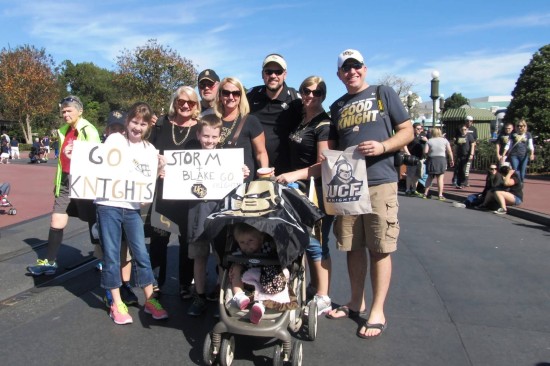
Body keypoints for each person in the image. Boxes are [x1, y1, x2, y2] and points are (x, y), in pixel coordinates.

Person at [325, 49, 413, 339]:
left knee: (379, 247)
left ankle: (377, 310)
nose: (352, 72)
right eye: (345, 68)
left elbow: (407, 131)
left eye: (356, 66)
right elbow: (332, 151)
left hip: (379, 181)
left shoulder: (382, 93)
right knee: (353, 246)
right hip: (348, 186)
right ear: (339, 74)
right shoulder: (337, 106)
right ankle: (355, 300)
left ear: (364, 68)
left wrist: (383, 146)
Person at [96, 102, 168, 324]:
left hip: (132, 208)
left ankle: (150, 300)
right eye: (134, 122)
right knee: (111, 255)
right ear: (127, 122)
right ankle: (116, 303)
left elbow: (147, 187)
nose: (138, 127)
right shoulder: (116, 139)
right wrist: (74, 154)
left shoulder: (149, 150)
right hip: (108, 204)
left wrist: (159, 170)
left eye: (143, 124)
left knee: (142, 254)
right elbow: (95, 160)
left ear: (148, 127)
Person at [275, 75, 337, 315]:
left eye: (317, 92)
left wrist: (293, 175)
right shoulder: (303, 120)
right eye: (307, 91)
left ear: (323, 95)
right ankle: (312, 286)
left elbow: (324, 165)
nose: (311, 95)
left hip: (317, 191)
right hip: (298, 191)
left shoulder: (324, 124)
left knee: (316, 243)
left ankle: (324, 296)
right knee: (299, 239)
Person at [27, 95, 101, 276]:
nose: (65, 115)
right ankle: (50, 261)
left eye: (69, 111)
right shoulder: (63, 131)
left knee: (94, 221)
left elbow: (96, 157)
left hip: (85, 181)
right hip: (66, 181)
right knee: (56, 220)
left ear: (80, 111)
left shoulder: (89, 130)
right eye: (63, 112)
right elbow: (61, 161)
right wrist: (58, 182)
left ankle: (103, 258)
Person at [186, 114, 251, 316]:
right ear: (198, 135)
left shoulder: (226, 159)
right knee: (199, 257)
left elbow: (236, 180)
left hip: (220, 217)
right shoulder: (187, 160)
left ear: (219, 137)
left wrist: (242, 172)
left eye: (214, 137)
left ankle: (223, 298)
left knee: (223, 258)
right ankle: (199, 296)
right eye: (206, 136)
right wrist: (165, 171)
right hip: (197, 216)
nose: (209, 141)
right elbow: (176, 179)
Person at [147, 86, 202, 299]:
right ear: (175, 102)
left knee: (187, 243)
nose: (185, 106)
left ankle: (185, 284)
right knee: (159, 241)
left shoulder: (200, 128)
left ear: (196, 106)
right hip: (164, 195)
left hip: (190, 198)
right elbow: (145, 152)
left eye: (191, 102)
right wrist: (156, 167)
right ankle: (155, 283)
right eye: (181, 101)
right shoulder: (160, 125)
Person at [93, 110, 138, 307]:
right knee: (108, 251)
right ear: (107, 130)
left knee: (125, 250)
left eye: (122, 129)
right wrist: (72, 154)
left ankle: (125, 285)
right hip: (106, 207)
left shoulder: (134, 151)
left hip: (127, 207)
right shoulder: (96, 152)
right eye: (114, 129)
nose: (118, 133)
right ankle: (111, 290)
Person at [247, 53, 302, 174]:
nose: (273, 76)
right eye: (268, 71)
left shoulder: (296, 99)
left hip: (287, 173)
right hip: (255, 171)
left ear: (285, 75)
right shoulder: (251, 95)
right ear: (262, 74)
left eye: (278, 72)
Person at [229, 223, 294, 324]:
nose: (246, 245)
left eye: (250, 240)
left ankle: (261, 305)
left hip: (266, 283)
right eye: (242, 242)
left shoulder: (268, 248)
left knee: (275, 273)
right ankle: (239, 296)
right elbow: (233, 261)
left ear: (261, 238)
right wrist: (233, 268)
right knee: (236, 269)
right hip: (246, 281)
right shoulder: (239, 252)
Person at [215, 77, 269, 180]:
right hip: (218, 182)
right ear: (220, 96)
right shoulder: (213, 121)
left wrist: (264, 176)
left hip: (243, 183)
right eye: (226, 93)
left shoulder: (251, 121)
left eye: (235, 93)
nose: (231, 97)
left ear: (241, 96)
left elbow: (261, 153)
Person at [421, 127, 454, 200]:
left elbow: (425, 152)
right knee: (440, 178)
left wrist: (429, 153)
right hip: (441, 159)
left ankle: (425, 193)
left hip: (432, 159)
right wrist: (451, 160)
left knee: (429, 177)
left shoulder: (429, 141)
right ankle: (440, 195)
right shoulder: (445, 141)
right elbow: (449, 151)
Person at [403, 123, 428, 196]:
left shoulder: (422, 136)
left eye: (421, 129)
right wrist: (408, 154)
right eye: (418, 129)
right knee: (410, 174)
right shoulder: (410, 136)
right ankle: (407, 189)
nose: (419, 130)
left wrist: (426, 140)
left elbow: (428, 145)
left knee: (417, 175)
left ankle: (414, 189)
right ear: (413, 129)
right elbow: (404, 145)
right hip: (412, 158)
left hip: (420, 158)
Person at [453, 124, 476, 189]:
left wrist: (471, 154)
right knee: (459, 169)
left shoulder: (469, 136)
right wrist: (455, 154)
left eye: (465, 129)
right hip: (459, 155)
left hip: (466, 155)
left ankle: (464, 182)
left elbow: (472, 144)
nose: (463, 131)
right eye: (462, 129)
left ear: (467, 130)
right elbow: (456, 146)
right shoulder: (458, 136)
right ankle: (459, 183)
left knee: (465, 169)